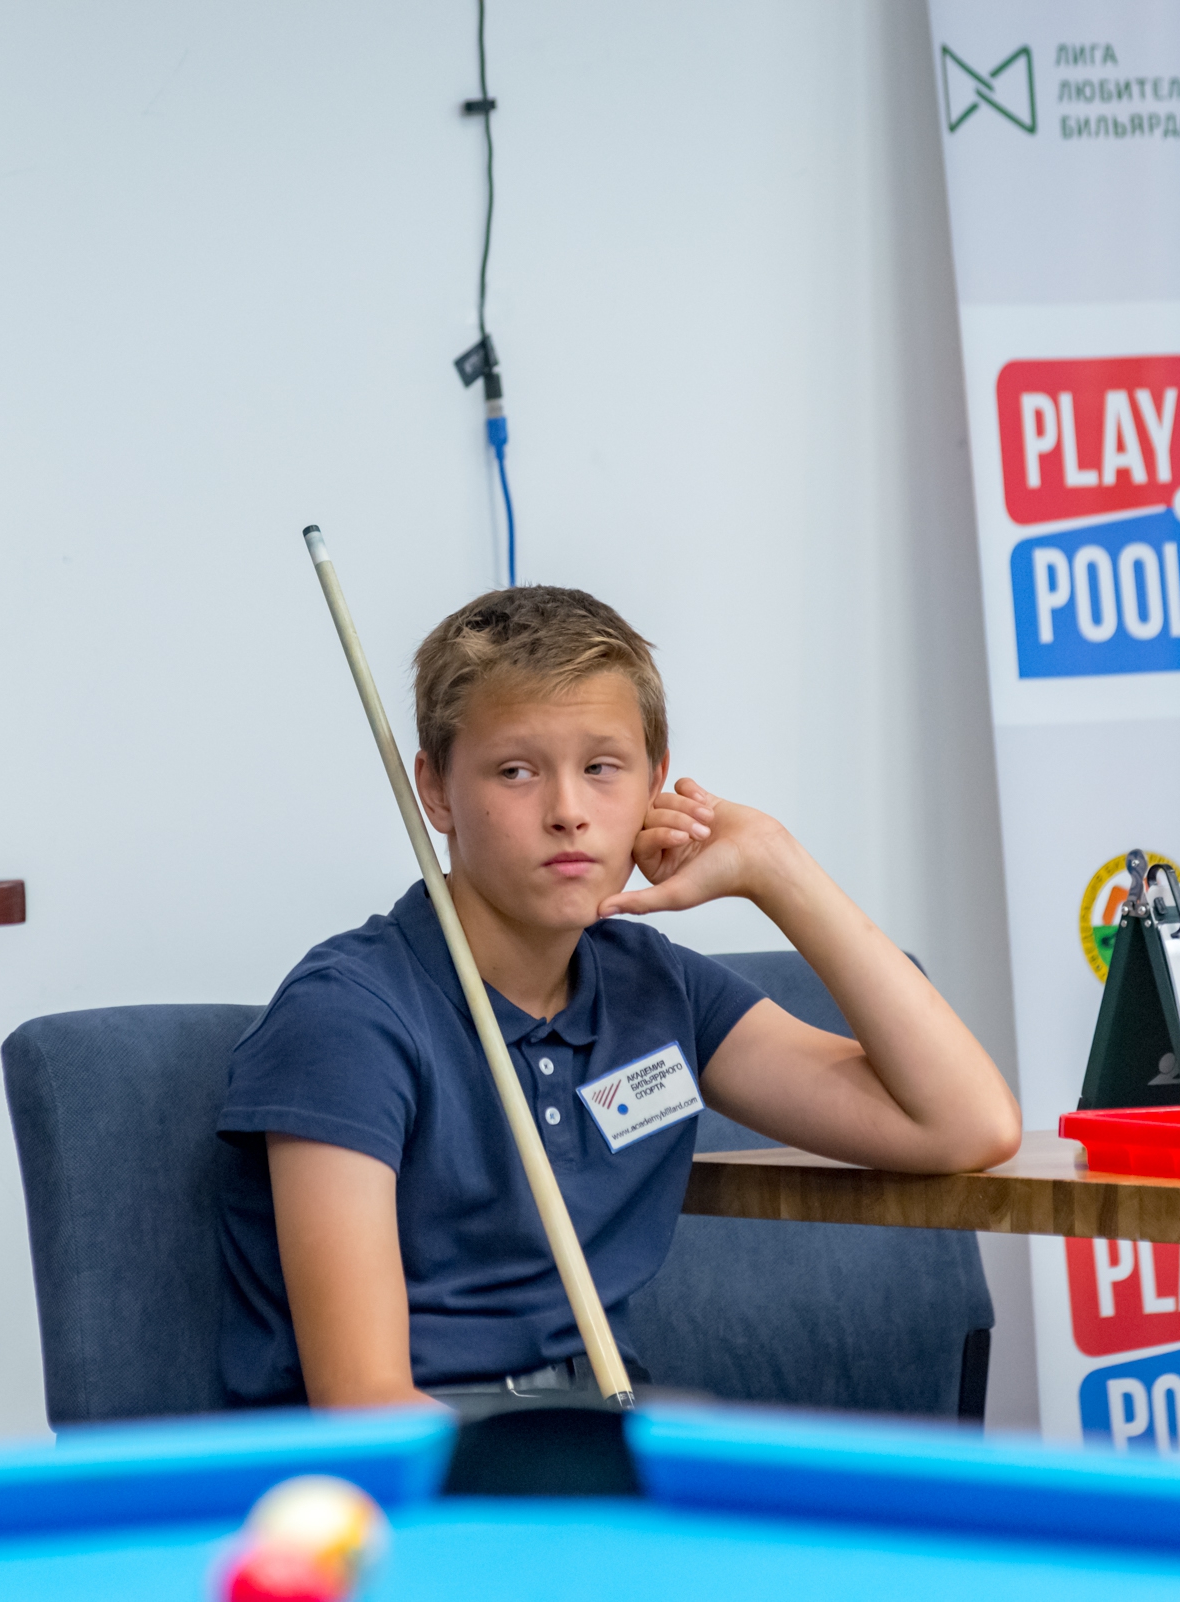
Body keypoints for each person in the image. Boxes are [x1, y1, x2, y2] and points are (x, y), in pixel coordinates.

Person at [216, 586, 1020, 1408]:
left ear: (655, 784)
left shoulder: (655, 984)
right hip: (426, 1460)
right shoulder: (346, 1018)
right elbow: (364, 1403)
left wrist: (775, 867)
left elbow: (966, 1124)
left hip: (604, 1424)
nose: (568, 812)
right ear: (437, 791)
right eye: (516, 771)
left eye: (602, 769)